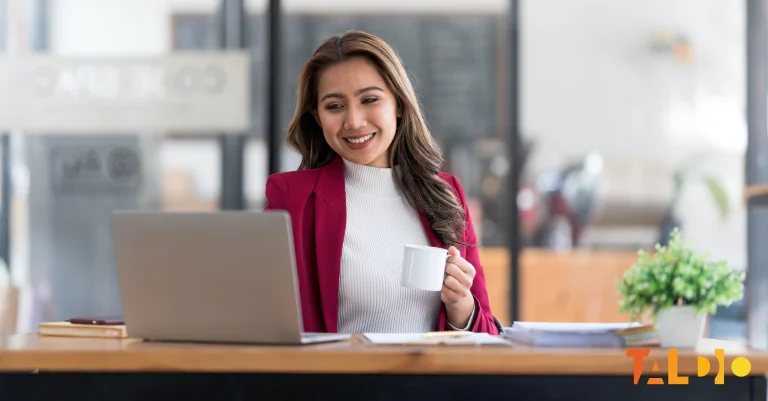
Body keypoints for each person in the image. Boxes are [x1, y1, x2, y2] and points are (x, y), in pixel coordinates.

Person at [264, 30, 498, 335]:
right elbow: (263, 316)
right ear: (317, 116)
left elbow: (487, 337)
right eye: (335, 106)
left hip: (431, 380)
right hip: (336, 380)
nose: (354, 121)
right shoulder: (295, 198)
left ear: (398, 104)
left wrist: (461, 306)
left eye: (369, 99)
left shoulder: (445, 193)